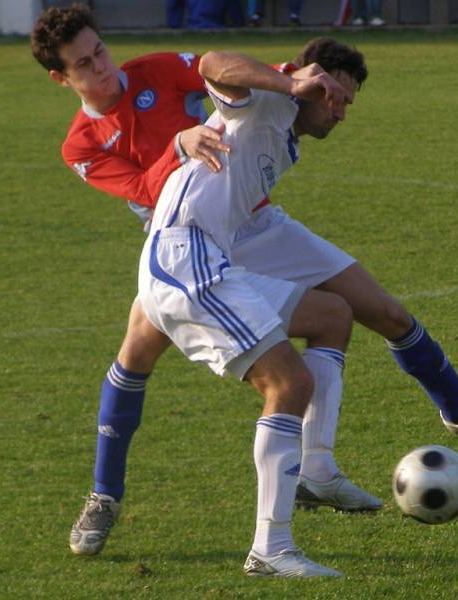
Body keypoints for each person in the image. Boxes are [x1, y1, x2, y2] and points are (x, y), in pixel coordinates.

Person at [31, 4, 458, 560]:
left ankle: (457, 413)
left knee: (377, 311)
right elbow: (148, 189)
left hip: (254, 217)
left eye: (100, 50)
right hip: (187, 238)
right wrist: (180, 144)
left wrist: (293, 77)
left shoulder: (156, 70)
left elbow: (221, 67)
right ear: (62, 78)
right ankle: (104, 496)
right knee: (135, 358)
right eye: (84, 64)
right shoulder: (81, 145)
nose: (102, 67)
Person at [136, 41, 365, 577]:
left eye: (348, 103)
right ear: (310, 81)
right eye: (334, 95)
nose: (340, 110)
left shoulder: (285, 138)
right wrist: (290, 82)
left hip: (210, 258)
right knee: (289, 383)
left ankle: (318, 469)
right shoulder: (266, 103)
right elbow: (211, 63)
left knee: (332, 315)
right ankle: (272, 549)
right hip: (184, 257)